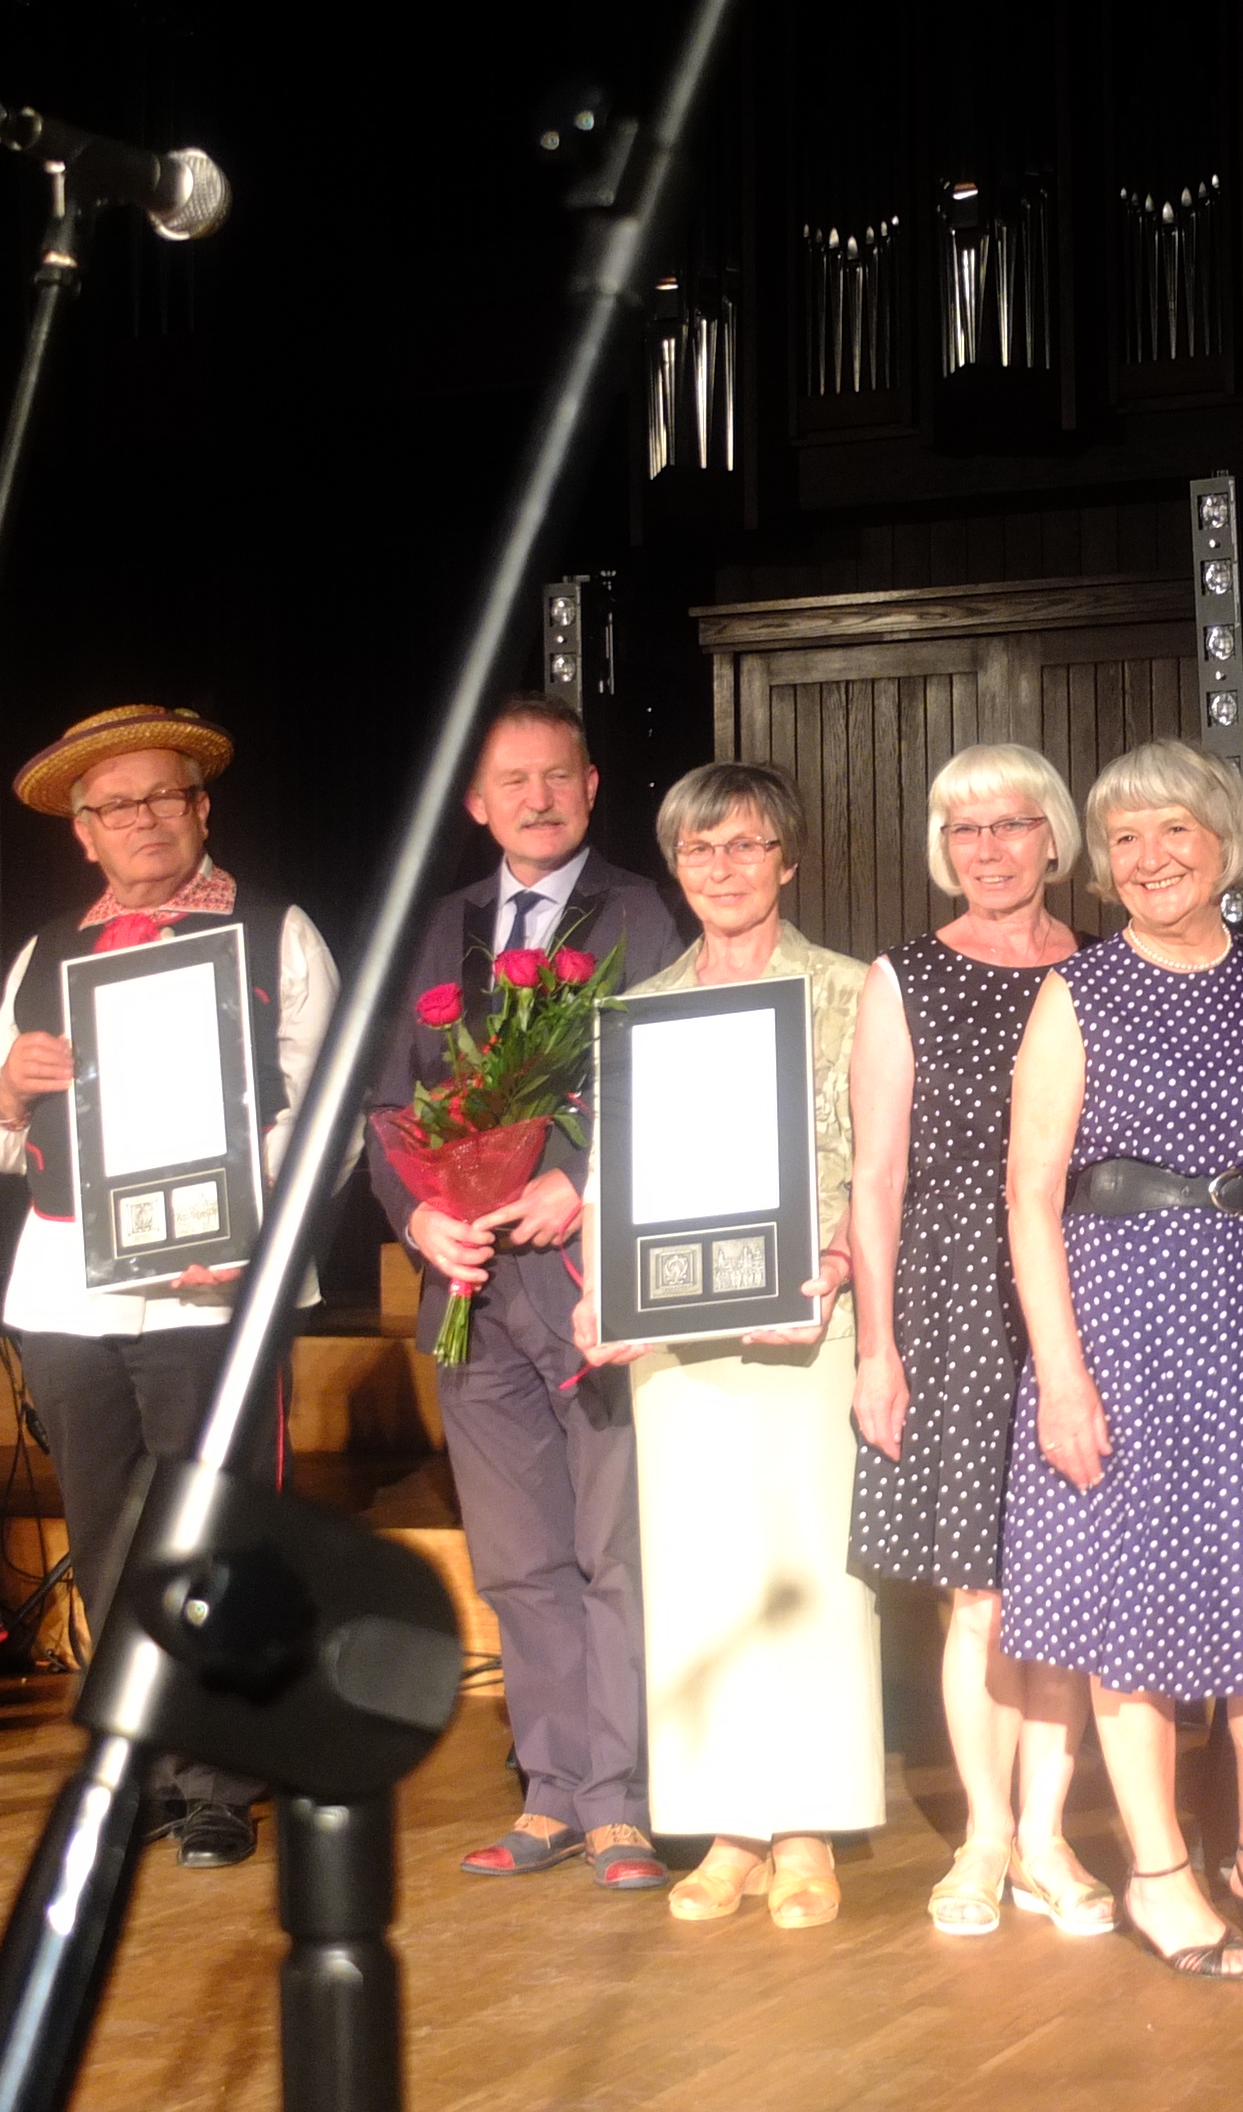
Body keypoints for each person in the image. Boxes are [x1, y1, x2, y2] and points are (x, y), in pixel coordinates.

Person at [1001, 738, 1243, 1981]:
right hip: (1120, 1318)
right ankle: (1160, 1872)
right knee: (1137, 1598)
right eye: (1123, 838)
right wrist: (1061, 1373)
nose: (1149, 857)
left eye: (1173, 829)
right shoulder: (1080, 991)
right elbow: (1030, 1192)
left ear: (1226, 842)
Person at [0, 706, 341, 1869]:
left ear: (201, 808)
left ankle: (219, 1774)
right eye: (115, 806)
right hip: (69, 1289)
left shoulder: (273, 932)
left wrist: (245, 1230)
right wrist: (11, 1093)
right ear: (82, 833)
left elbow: (328, 1118)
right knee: (108, 1538)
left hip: (209, 1285)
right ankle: (138, 1766)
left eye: (163, 796)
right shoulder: (45, 954)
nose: (142, 820)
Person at [365, 697, 681, 1890]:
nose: (538, 799)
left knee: (613, 1551)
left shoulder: (642, 913)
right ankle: (550, 1790)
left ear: (591, 787)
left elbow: (668, 1069)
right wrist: (419, 1219)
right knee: (515, 1560)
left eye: (558, 777)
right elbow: (386, 1105)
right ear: (476, 803)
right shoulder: (437, 926)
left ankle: (622, 1800)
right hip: (469, 1286)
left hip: (589, 1280)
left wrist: (582, 1177)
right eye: (514, 782)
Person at [572, 760, 881, 1926]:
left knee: (805, 1574)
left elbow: (877, 1160)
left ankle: (805, 1828)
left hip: (806, 1316)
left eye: (746, 845)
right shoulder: (640, 1008)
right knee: (700, 1574)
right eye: (700, 850)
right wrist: (600, 1294)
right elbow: (613, 1176)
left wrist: (836, 1266)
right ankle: (728, 1828)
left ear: (786, 860)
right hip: (675, 1336)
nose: (723, 868)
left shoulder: (848, 990)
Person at [846, 743, 1112, 1937]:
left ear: (1053, 839)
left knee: (1064, 1582)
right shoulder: (901, 978)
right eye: (964, 829)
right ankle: (984, 1838)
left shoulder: (1104, 969)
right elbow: (876, 1176)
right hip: (956, 1299)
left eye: (1010, 825)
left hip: (1084, 1289)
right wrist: (877, 1346)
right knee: (978, 1594)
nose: (988, 849)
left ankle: (1048, 1838)